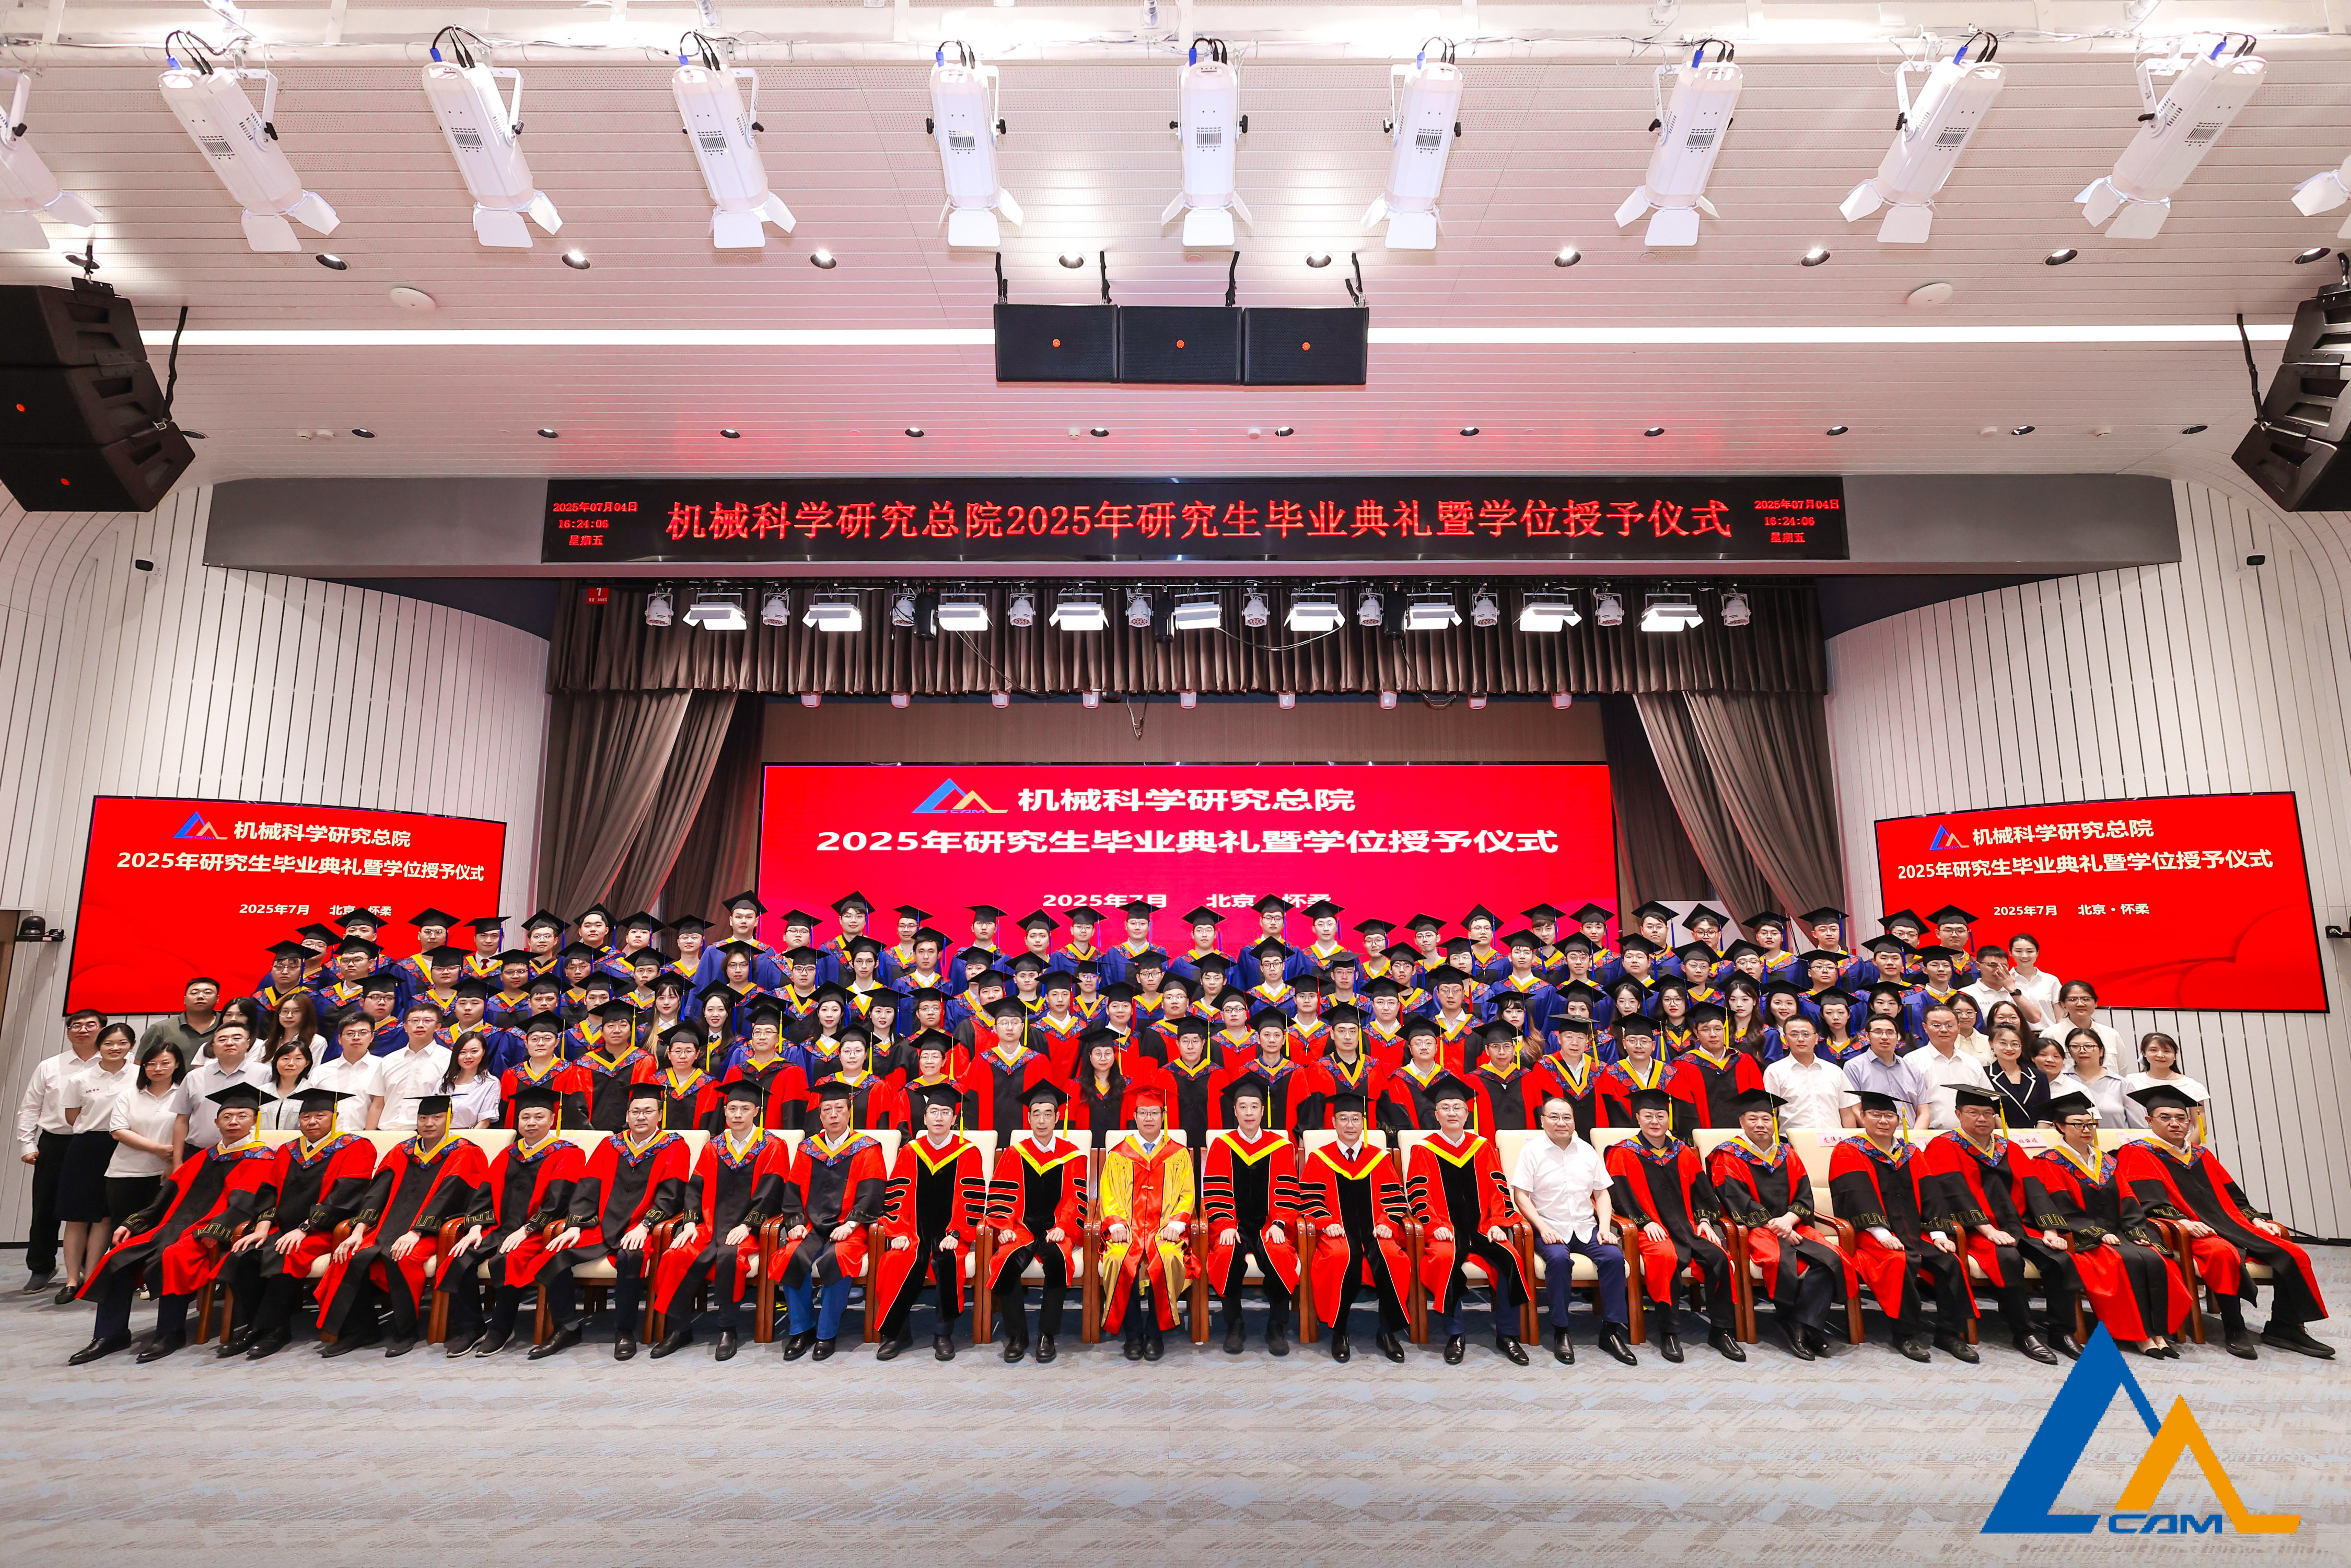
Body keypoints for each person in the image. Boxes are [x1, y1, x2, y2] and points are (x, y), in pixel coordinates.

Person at [65, 1081, 276, 1369]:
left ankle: (169, 1332)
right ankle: (110, 1334)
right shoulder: (205, 1156)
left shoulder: (262, 1158)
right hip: (171, 1227)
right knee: (117, 1256)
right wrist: (136, 1222)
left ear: (254, 1121)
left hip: (210, 1233)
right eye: (227, 1116)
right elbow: (168, 1194)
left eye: (242, 1116)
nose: (234, 1122)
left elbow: (248, 1204)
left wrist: (215, 1230)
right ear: (216, 1122)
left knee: (173, 1256)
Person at [2116, 1083, 2332, 1360]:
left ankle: (2285, 1326)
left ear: (2189, 1122)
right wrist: (2183, 1222)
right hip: (2188, 1230)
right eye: (2165, 1118)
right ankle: (2234, 1327)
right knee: (2222, 1254)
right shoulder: (2138, 1153)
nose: (2175, 1124)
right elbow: (2146, 1202)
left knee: (2295, 1254)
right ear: (2149, 1121)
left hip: (2230, 1223)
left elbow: (2234, 1195)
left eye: (2181, 1118)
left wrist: (2255, 1219)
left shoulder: (2201, 1154)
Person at [315, 1095, 487, 1357]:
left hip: (433, 1232)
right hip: (386, 1228)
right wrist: (359, 1231)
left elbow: (450, 1197)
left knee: (402, 1257)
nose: (429, 1123)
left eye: (437, 1118)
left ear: (450, 1119)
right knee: (348, 1255)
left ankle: (405, 1330)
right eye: (423, 1118)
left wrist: (416, 1232)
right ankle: (359, 1330)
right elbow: (377, 1193)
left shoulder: (465, 1152)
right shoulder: (402, 1151)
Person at [2022, 1090, 2191, 1359]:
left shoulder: (2108, 1161)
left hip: (2119, 1231)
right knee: (2123, 1262)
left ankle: (2158, 1333)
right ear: (2060, 1127)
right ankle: (2139, 1336)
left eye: (2090, 1124)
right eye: (2078, 1124)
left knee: (2156, 1258)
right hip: (2083, 1236)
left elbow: (2128, 1198)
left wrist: (2136, 1231)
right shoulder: (2048, 1162)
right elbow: (2060, 1206)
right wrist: (2098, 1234)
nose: (2086, 1130)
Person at [216, 1089, 379, 1360]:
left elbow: (346, 1197)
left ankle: (275, 1331)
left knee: (287, 1255)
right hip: (284, 1229)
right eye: (306, 1117)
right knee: (243, 1256)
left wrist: (305, 1228)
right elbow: (268, 1192)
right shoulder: (288, 1150)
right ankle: (254, 1328)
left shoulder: (355, 1146)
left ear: (335, 1117)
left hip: (326, 1230)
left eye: (320, 1115)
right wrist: (263, 1227)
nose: (312, 1122)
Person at [533, 1083, 691, 1362]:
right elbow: (588, 1187)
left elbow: (672, 1195)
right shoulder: (611, 1145)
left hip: (642, 1228)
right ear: (627, 1115)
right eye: (635, 1111)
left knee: (630, 1257)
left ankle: (624, 1331)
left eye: (648, 1111)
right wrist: (575, 1225)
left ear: (659, 1115)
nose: (641, 1117)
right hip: (601, 1226)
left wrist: (645, 1225)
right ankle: (567, 1327)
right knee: (557, 1252)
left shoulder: (674, 1146)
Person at [1918, 1086, 2066, 1363]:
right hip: (1972, 1231)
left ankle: (2062, 1331)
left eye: (1988, 1113)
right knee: (2007, 1259)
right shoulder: (1945, 1145)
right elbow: (1953, 1191)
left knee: (2059, 1258)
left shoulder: (2008, 1147)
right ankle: (2024, 1332)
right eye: (1973, 1112)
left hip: (2017, 1226)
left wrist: (2050, 1229)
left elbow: (2034, 1187)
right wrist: (1987, 1230)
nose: (1982, 1119)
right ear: (1958, 1114)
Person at [645, 1081, 788, 1363]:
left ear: (756, 1111)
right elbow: (695, 1188)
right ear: (725, 1111)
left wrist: (748, 1225)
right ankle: (679, 1328)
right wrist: (689, 1223)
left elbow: (772, 1192)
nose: (738, 1114)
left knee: (731, 1257)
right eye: (732, 1108)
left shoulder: (773, 1146)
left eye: (745, 1109)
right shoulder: (714, 1146)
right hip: (710, 1225)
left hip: (748, 1229)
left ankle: (727, 1328)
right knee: (676, 1254)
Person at [1828, 1090, 1975, 1363]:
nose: (1883, 1121)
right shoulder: (1848, 1150)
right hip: (1869, 1233)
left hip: (1914, 1232)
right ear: (1863, 1117)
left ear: (1898, 1120)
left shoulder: (1910, 1152)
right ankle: (1906, 1333)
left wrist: (1938, 1233)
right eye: (1876, 1115)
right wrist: (1881, 1232)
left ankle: (1950, 1333)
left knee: (1949, 1261)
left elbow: (1930, 1192)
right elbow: (1855, 1194)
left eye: (1889, 1115)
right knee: (1899, 1261)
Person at [441, 1085, 589, 1358]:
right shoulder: (508, 1154)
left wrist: (527, 1229)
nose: (531, 1123)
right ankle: (472, 1327)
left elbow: (559, 1201)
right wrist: (475, 1227)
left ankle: (501, 1328)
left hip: (539, 1232)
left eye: (539, 1117)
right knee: (459, 1256)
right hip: (499, 1228)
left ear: (552, 1119)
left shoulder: (568, 1154)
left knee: (507, 1259)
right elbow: (484, 1194)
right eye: (525, 1117)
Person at [1604, 1087, 1744, 1364]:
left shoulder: (1682, 1151)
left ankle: (1722, 1330)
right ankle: (1669, 1331)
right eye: (1648, 1116)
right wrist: (1644, 1222)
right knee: (1665, 1258)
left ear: (1668, 1118)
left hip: (1688, 1227)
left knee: (1720, 1258)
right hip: (1648, 1229)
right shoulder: (1622, 1152)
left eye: (1660, 1115)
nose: (1655, 1121)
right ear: (1637, 1118)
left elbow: (1702, 1191)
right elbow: (1618, 1196)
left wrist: (1704, 1220)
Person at [1706, 1089, 1849, 1360]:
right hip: (1756, 1229)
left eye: (1765, 1119)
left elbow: (1804, 1195)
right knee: (1776, 1260)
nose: (1760, 1124)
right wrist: (1777, 1227)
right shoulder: (1729, 1155)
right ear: (1742, 1122)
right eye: (1753, 1119)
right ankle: (1800, 1324)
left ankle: (1800, 1323)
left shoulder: (1787, 1153)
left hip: (1794, 1225)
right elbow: (1736, 1199)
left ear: (1774, 1122)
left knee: (1833, 1258)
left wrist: (1789, 1221)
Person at [1407, 1073, 1531, 1366]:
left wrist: (1499, 1223)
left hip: (1482, 1228)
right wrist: (1434, 1225)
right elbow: (1418, 1193)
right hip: (1446, 1229)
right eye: (1445, 1108)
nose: (1452, 1113)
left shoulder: (1482, 1146)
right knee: (1445, 1259)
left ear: (1467, 1113)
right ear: (1436, 1115)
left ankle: (1508, 1334)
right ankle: (1455, 1334)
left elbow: (1498, 1188)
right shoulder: (1423, 1149)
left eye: (1458, 1107)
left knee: (1511, 1257)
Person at [1510, 1096, 1635, 1366]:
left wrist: (1605, 1228)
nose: (1561, 1122)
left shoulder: (1587, 1151)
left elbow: (1602, 1194)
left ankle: (1611, 1331)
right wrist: (1542, 1228)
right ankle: (1561, 1329)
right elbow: (1521, 1195)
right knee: (1557, 1260)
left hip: (1586, 1227)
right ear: (1543, 1121)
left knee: (1614, 1258)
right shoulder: (1532, 1152)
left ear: (1574, 1121)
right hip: (1549, 1226)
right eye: (1554, 1117)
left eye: (1567, 1117)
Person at [772, 1079, 890, 1361]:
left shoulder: (867, 1147)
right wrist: (795, 1222)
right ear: (820, 1115)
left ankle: (826, 1333)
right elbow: (793, 1191)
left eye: (839, 1108)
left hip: (850, 1228)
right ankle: (802, 1330)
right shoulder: (807, 1149)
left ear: (849, 1112)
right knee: (790, 1255)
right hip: (811, 1226)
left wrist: (851, 1224)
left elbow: (873, 1192)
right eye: (827, 1109)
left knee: (838, 1258)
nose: (834, 1114)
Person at [871, 1085, 984, 1362]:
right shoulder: (910, 1151)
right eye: (934, 1111)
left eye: (946, 1112)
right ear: (924, 1117)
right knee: (895, 1259)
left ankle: (943, 1334)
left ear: (954, 1118)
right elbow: (897, 1195)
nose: (939, 1118)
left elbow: (972, 1198)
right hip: (913, 1232)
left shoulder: (968, 1152)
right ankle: (897, 1333)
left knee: (948, 1261)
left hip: (950, 1234)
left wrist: (956, 1233)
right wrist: (897, 1232)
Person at [1298, 1091, 1412, 1364]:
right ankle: (1339, 1330)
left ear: (1363, 1123)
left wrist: (1387, 1223)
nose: (1350, 1125)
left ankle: (1387, 1331)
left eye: (1355, 1119)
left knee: (1392, 1257)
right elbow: (1310, 1198)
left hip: (1374, 1230)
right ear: (1334, 1123)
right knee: (1339, 1256)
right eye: (1343, 1119)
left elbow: (1395, 1197)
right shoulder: (1319, 1158)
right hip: (1337, 1230)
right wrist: (1326, 1222)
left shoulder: (1379, 1157)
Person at [985, 1082, 1087, 1363]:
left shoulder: (1072, 1154)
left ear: (1057, 1118)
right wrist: (1004, 1227)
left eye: (1048, 1114)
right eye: (1036, 1114)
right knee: (1006, 1261)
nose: (1042, 1120)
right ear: (1029, 1118)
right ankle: (1017, 1335)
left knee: (1058, 1260)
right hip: (1021, 1228)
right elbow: (1000, 1195)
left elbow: (1076, 1198)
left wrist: (1063, 1227)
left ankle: (1047, 1334)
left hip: (1056, 1229)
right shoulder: (1014, 1153)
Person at [1200, 1084, 1299, 1356]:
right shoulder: (1222, 1145)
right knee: (1226, 1253)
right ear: (1235, 1111)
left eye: (1254, 1107)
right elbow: (1215, 1189)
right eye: (1242, 1107)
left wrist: (1280, 1223)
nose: (1249, 1113)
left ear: (1263, 1111)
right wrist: (1225, 1224)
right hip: (1234, 1224)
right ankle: (1235, 1324)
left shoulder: (1280, 1147)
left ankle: (1276, 1325)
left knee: (1280, 1254)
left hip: (1269, 1223)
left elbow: (1288, 1190)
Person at [15, 1007, 105, 1295]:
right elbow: (30, 1107)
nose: (83, 1030)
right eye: (76, 1025)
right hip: (57, 1142)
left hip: (98, 1144)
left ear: (102, 1029)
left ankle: (88, 1266)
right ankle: (41, 1267)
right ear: (67, 1032)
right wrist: (27, 1144)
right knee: (46, 1207)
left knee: (93, 1208)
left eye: (90, 1024)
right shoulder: (50, 1066)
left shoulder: (118, 1064)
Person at [1099, 1091, 1194, 1362]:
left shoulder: (1178, 1154)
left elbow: (1187, 1194)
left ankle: (1154, 1334)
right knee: (1118, 1258)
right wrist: (1116, 1224)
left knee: (1168, 1257)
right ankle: (1132, 1334)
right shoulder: (1119, 1154)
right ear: (1135, 1116)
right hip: (1127, 1230)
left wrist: (1176, 1224)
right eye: (1143, 1113)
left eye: (1154, 1113)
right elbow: (1108, 1194)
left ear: (1163, 1116)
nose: (1149, 1118)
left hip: (1164, 1230)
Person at [55, 1023, 140, 1304]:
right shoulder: (81, 1078)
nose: (115, 1048)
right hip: (87, 1147)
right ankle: (72, 1280)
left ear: (132, 1045)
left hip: (125, 1145)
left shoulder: (139, 1075)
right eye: (108, 1043)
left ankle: (93, 1277)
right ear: (99, 1046)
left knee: (105, 1216)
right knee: (77, 1216)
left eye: (122, 1043)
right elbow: (72, 1117)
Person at [174, 1018, 270, 1149]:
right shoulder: (194, 1077)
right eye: (222, 1039)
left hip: (250, 1152)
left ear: (248, 1044)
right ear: (213, 1046)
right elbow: (182, 1120)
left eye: (237, 1038)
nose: (229, 1043)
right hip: (198, 1152)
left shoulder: (266, 1074)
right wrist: (178, 1159)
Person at [1902, 1003, 1993, 1131]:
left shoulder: (1972, 1063)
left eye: (1950, 1025)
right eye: (1936, 1025)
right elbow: (1907, 1104)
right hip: (1929, 1134)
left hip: (1970, 1135)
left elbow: (1990, 1100)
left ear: (1959, 1028)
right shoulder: (1912, 1061)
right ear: (1925, 1027)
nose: (1944, 1030)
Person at [366, 1003, 456, 1132]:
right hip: (387, 1131)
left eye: (427, 1021)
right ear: (405, 1027)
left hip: (426, 1133)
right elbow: (378, 1103)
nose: (420, 1025)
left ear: (438, 1027)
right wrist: (369, 1136)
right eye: (414, 1021)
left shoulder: (449, 1059)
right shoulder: (389, 1060)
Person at [1840, 1016, 1930, 1130]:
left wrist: (1914, 1137)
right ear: (1867, 1036)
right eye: (1878, 1032)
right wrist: (1881, 1134)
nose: (1884, 1037)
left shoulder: (1912, 1069)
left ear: (1898, 1037)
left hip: (1910, 1136)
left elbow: (1923, 1112)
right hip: (1873, 1136)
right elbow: (1855, 1109)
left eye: (1890, 1033)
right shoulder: (1854, 1067)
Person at [1761, 1017, 1848, 1133]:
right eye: (1794, 1034)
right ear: (1786, 1039)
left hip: (1833, 1139)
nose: (1801, 1039)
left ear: (1816, 1038)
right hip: (1792, 1141)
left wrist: (1850, 1141)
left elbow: (1847, 1112)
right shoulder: (1775, 1071)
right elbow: (1771, 1112)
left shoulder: (1834, 1071)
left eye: (1806, 1034)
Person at [2123, 1033, 2210, 1135]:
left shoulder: (2192, 1086)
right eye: (2153, 1050)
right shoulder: (2130, 1081)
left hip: (2182, 1142)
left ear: (2175, 1056)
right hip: (2140, 1142)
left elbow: (2201, 1128)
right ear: (2144, 1054)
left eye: (2167, 1051)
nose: (2160, 1055)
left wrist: (2185, 1145)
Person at [2053, 1029, 2131, 1129]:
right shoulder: (2060, 1079)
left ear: (2101, 1051)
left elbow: (2138, 1126)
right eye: (2075, 1047)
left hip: (2116, 1139)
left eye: (2089, 1046)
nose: (2082, 1051)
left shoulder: (2120, 1083)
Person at [137, 977, 222, 1064]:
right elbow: (140, 1063)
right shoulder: (161, 1029)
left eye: (208, 993)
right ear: (185, 999)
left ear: (218, 999)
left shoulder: (226, 1025)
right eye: (194, 993)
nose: (201, 996)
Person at [1985, 1025, 2049, 1129]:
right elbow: (1990, 1110)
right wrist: (2009, 1136)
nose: (2009, 1048)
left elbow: (2046, 1112)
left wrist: (2038, 1135)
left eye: (2015, 1044)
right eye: (2003, 1043)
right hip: (2002, 1135)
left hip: (2036, 1135)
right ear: (1991, 1043)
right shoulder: (1985, 1074)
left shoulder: (2039, 1076)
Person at [2042, 979, 2122, 1059]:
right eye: (2073, 999)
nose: (2080, 1004)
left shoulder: (2111, 1035)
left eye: (2086, 999)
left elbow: (2122, 1066)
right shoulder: (2051, 1035)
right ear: (2063, 1004)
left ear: (2096, 1003)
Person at [438, 1035, 503, 1130]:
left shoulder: (491, 1083)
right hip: (440, 1136)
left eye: (474, 1051)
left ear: (483, 1052)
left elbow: (484, 1123)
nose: (468, 1057)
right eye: (463, 1052)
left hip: (469, 1137)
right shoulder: (444, 1082)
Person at [2004, 933, 2063, 1033]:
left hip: (2047, 1035)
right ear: (2010, 952)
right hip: (2015, 1035)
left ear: (2037, 953)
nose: (2024, 956)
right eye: (2018, 951)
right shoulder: (2005, 980)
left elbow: (2060, 1015)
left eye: (2030, 951)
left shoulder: (2051, 980)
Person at [255, 1037, 315, 1131]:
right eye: (286, 1058)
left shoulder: (311, 1093)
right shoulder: (260, 1092)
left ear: (307, 1063)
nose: (291, 1064)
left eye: (298, 1059)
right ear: (276, 1063)